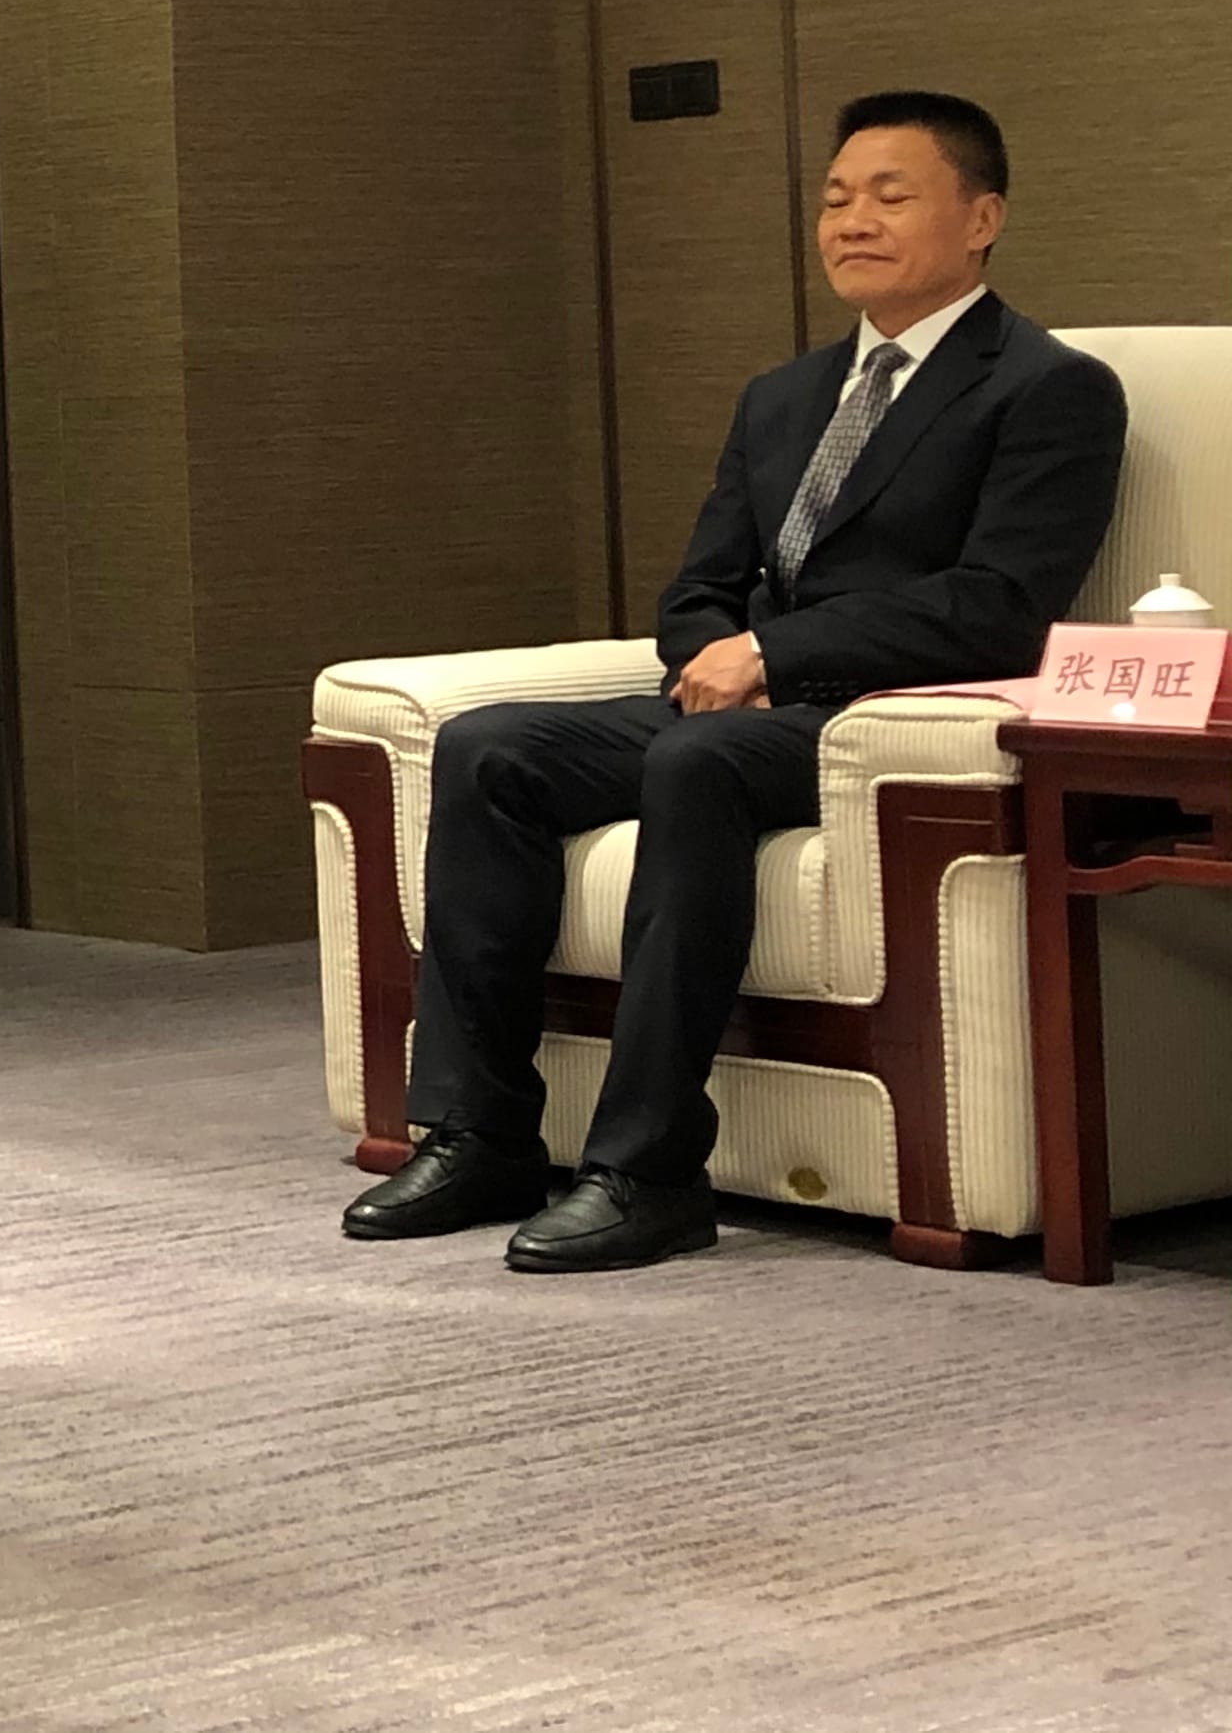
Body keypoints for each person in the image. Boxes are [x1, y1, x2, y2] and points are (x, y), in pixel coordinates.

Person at [349, 90, 1125, 1270]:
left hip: (887, 721)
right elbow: (699, 588)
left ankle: (649, 1169)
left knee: (695, 758)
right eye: (836, 197)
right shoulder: (783, 394)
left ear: (983, 219)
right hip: (748, 709)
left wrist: (777, 655)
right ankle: (481, 1129)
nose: (852, 220)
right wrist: (720, 651)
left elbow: (999, 603)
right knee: (490, 745)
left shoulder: (1047, 385)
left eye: (890, 195)